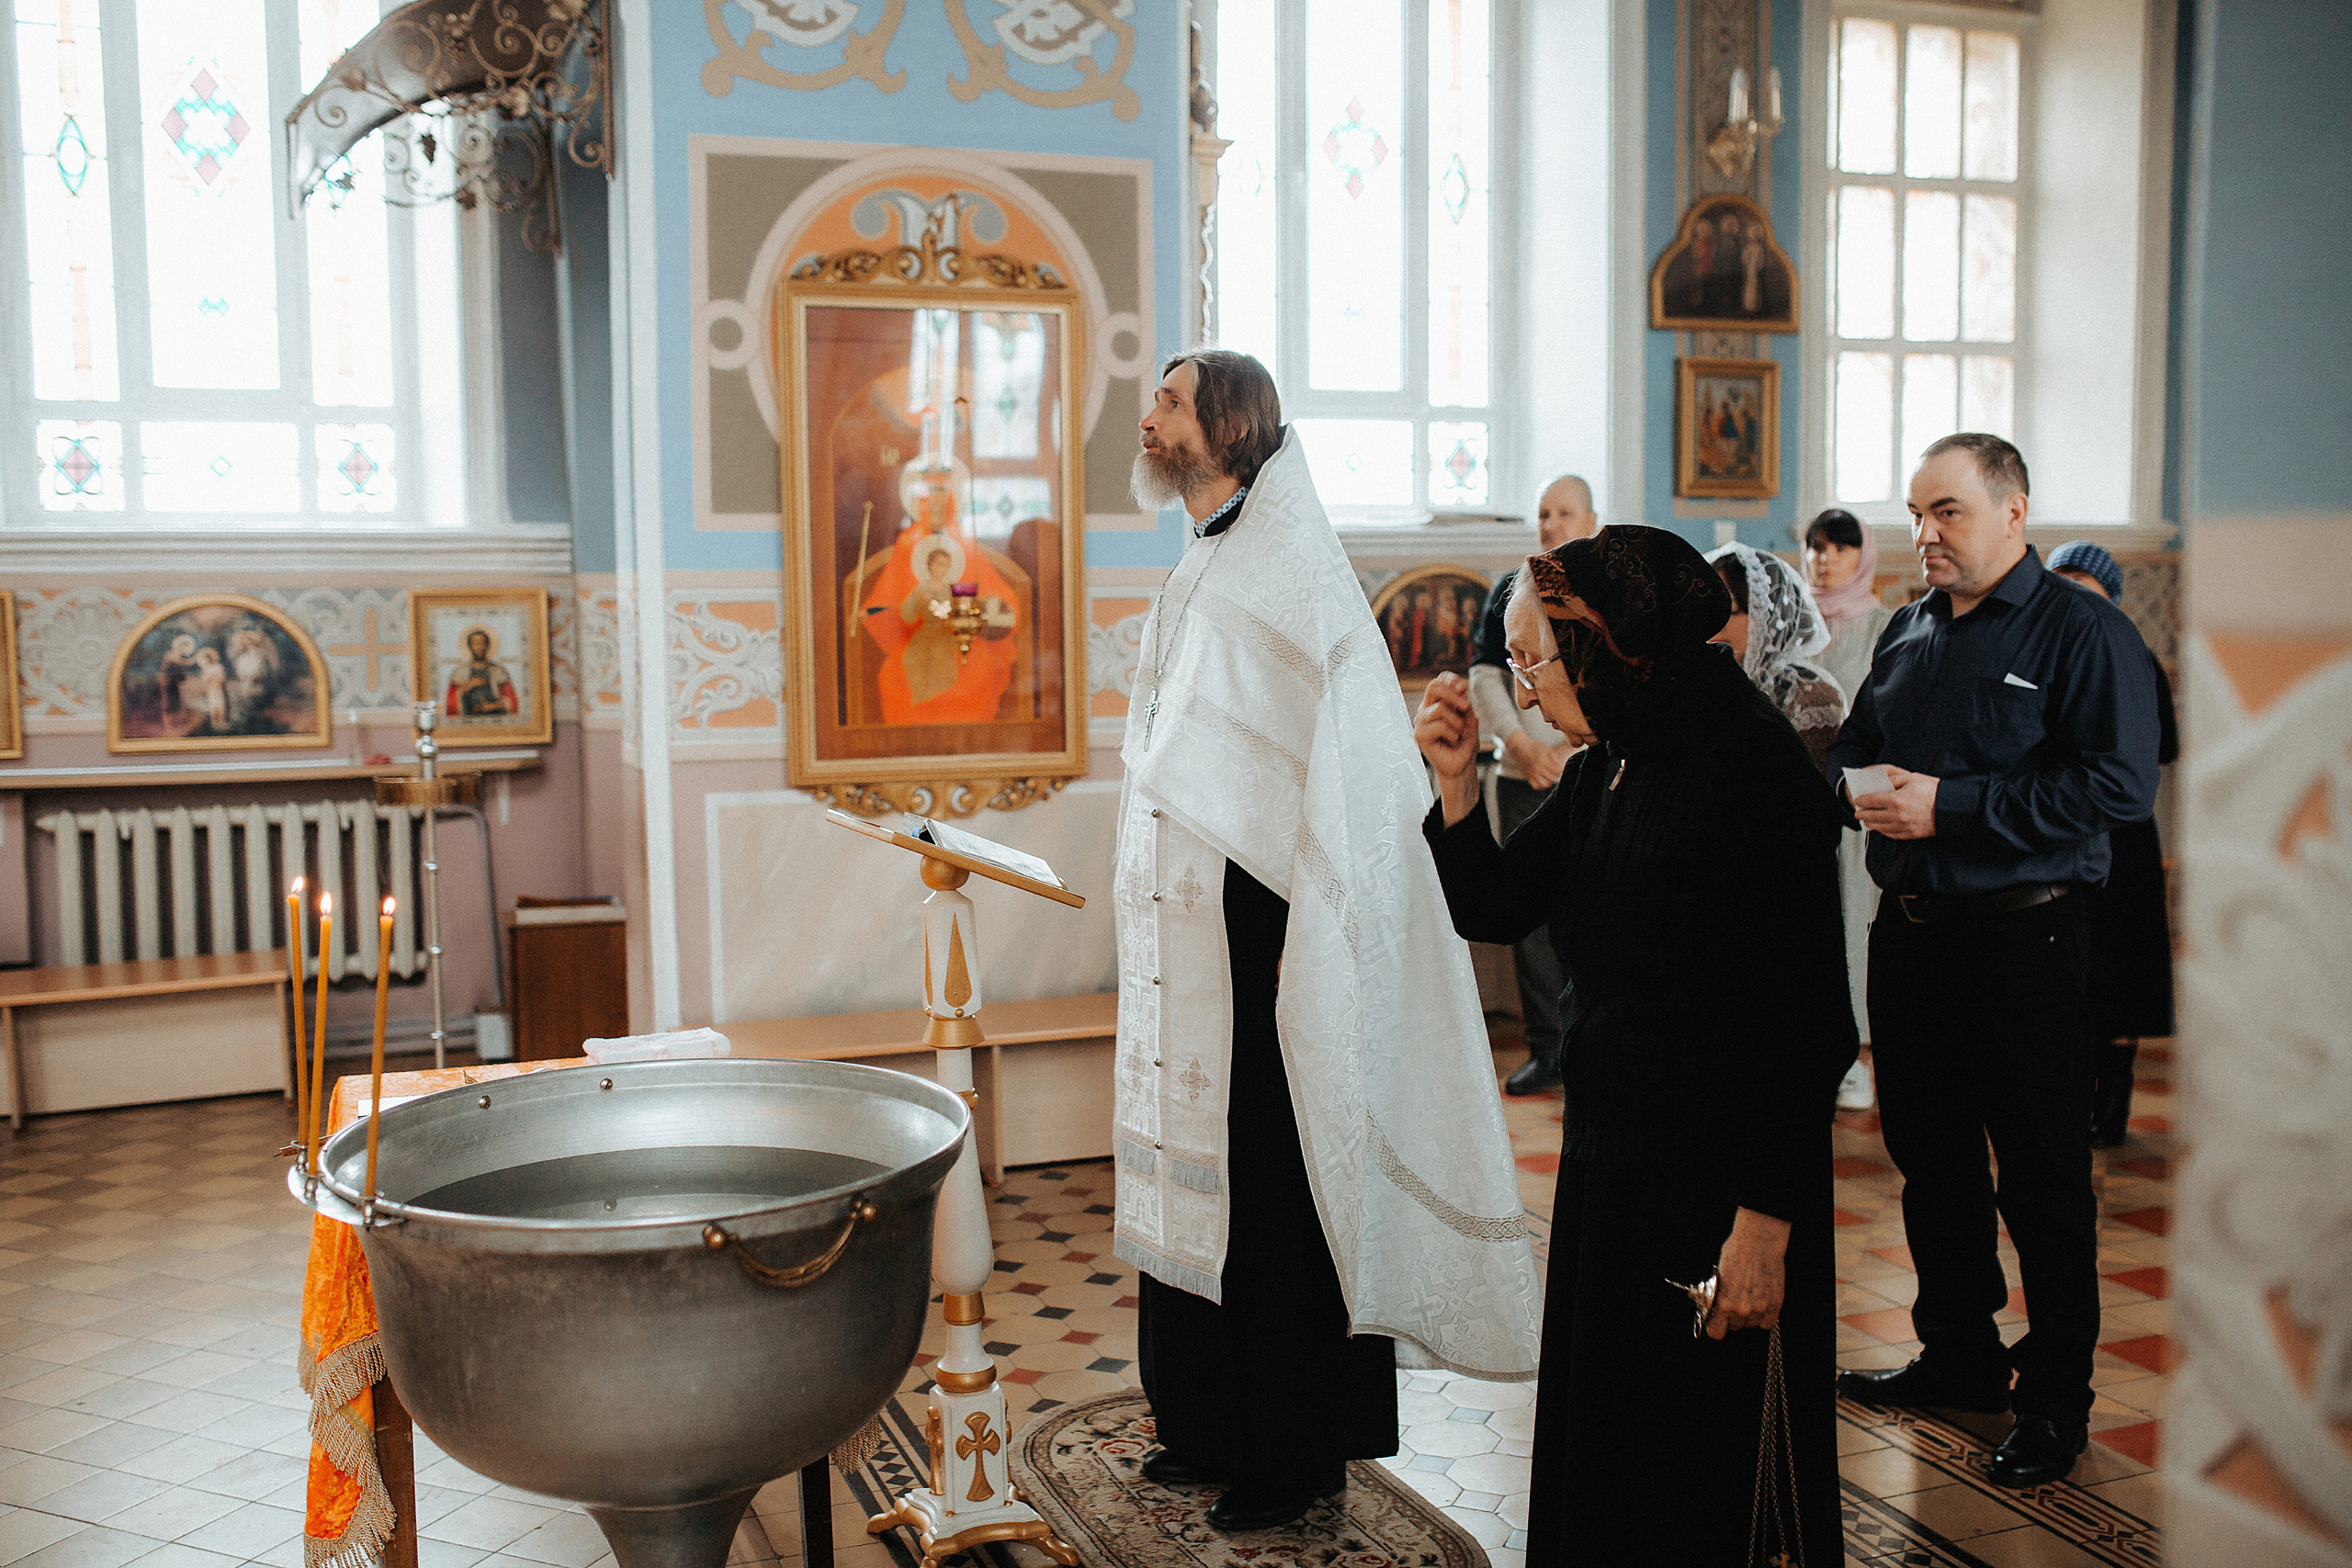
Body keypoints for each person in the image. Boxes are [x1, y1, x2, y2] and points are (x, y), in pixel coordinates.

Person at [1116, 349, 1542, 1533]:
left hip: (1270, 928)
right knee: (1202, 1174)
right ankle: (1202, 1424)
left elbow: (1334, 763)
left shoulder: (1289, 567)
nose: (1146, 418)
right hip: (1199, 926)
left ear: (1229, 430)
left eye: (1168, 402)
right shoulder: (1201, 554)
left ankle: (1292, 1452)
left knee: (1272, 1193)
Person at [1414, 526, 1856, 1568]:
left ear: (1610, 642)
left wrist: (1761, 1228)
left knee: (1695, 1469)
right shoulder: (1610, 758)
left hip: (1720, 1189)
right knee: (1612, 1446)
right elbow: (1492, 902)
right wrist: (1455, 786)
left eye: (1533, 662)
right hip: (1613, 1166)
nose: (1522, 692)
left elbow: (1809, 1028)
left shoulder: (1754, 773)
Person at [1827, 434, 2161, 1488]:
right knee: (1931, 1165)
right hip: (1913, 940)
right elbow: (1855, 746)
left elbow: (2117, 788)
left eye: (1948, 512)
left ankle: (2056, 1398)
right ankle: (1959, 1354)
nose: (1923, 533)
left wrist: (1952, 806)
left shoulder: (2082, 633)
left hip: (2024, 938)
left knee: (2043, 1180)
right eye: (1916, 513)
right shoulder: (1907, 628)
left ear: (2014, 512)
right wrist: (1856, 785)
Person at [1469, 474, 1599, 1095]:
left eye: (1564, 511)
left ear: (1592, 520)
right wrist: (1521, 745)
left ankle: (1589, 1047)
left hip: (1587, 771)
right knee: (1532, 921)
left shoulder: (1604, 590)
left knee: (1593, 908)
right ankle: (1548, 1049)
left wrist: (1569, 754)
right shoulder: (1510, 590)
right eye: (1543, 512)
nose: (1550, 523)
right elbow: (1486, 678)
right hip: (1525, 775)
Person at [2046, 539, 2178, 1146]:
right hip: (2061, 828)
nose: (2073, 596)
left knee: (2123, 966)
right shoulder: (2043, 652)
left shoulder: (2134, 653)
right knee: (2069, 969)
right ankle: (2070, 1098)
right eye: (2062, 582)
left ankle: (2115, 1100)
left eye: (2085, 584)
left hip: (2121, 834)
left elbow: (2164, 745)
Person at [1705, 542, 1847, 771]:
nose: (1714, 625)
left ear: (1767, 613)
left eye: (1730, 610)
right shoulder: (1702, 684)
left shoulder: (1807, 693)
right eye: (1706, 610)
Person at [446, 628, 519, 718]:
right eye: (476, 644)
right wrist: (468, 687)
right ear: (470, 646)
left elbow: (512, 701)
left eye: (483, 643)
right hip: (469, 721)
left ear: (488, 646)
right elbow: (451, 704)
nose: (480, 647)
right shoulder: (460, 672)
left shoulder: (498, 671)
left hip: (496, 719)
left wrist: (493, 706)